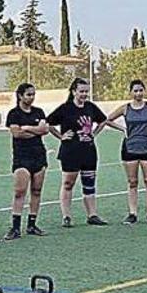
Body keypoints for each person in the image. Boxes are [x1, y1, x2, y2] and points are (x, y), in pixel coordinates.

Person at [46, 77, 112, 227]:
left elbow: (103, 121)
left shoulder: (90, 107)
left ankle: (92, 215)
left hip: (88, 152)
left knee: (89, 183)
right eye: (81, 91)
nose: (84, 94)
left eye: (86, 92)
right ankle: (66, 216)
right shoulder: (65, 108)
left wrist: (94, 134)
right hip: (70, 152)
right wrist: (61, 137)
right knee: (68, 183)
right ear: (74, 91)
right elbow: (48, 122)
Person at [105, 80, 147, 225]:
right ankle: (132, 213)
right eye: (135, 90)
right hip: (130, 147)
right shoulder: (125, 108)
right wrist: (123, 129)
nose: (138, 93)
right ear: (130, 92)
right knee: (132, 182)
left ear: (144, 91)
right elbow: (107, 120)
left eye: (140, 90)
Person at [4, 83, 50, 239]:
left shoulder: (39, 112)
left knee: (36, 191)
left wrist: (27, 128)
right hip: (21, 157)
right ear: (20, 96)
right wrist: (35, 130)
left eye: (33, 94)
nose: (31, 97)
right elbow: (17, 134)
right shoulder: (13, 114)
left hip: (39, 155)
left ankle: (32, 224)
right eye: (28, 94)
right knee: (20, 192)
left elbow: (45, 130)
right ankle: (15, 227)